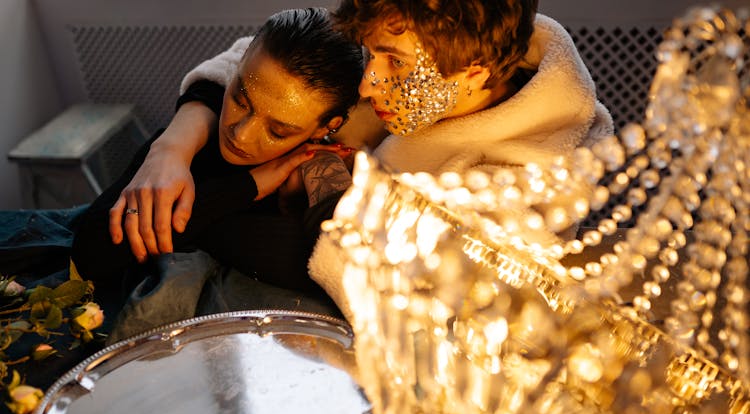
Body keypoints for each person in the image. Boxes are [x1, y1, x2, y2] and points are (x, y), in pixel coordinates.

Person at [101, 0, 613, 318]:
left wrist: (317, 180)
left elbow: (393, 286)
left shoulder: (540, 177)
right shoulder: (411, 26)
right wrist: (172, 146)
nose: (368, 81)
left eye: (393, 62)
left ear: (475, 74)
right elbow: (257, 60)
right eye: (371, 53)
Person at [71, 7, 365, 294]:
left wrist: (205, 217)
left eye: (278, 131)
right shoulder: (195, 142)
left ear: (326, 127)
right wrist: (248, 186)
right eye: (240, 99)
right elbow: (91, 254)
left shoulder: (317, 174)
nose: (240, 134)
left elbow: (332, 271)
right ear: (236, 67)